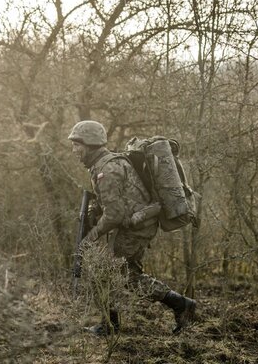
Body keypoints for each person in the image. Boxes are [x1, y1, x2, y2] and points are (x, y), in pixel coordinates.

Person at [68, 120, 196, 335]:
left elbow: (114, 214)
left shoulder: (106, 169)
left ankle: (180, 304)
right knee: (115, 273)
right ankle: (111, 324)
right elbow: (116, 205)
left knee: (123, 275)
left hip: (138, 226)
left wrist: (90, 237)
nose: (74, 151)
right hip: (135, 223)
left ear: (90, 144)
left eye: (77, 145)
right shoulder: (104, 165)